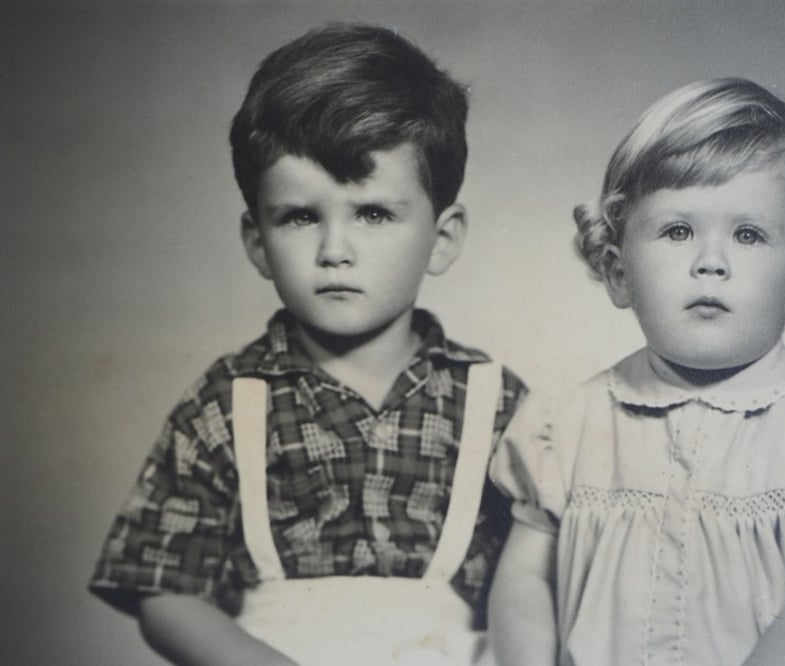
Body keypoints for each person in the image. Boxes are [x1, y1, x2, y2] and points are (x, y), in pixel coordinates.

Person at [89, 23, 526, 666]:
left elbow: (541, 582)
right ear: (257, 241)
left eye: (373, 214)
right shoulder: (223, 405)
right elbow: (164, 589)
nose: (335, 251)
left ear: (443, 237)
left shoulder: (500, 408)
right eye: (300, 216)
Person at [488, 78, 785, 666]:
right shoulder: (564, 427)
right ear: (617, 271)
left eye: (749, 234)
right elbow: (524, 588)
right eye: (678, 231)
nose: (711, 263)